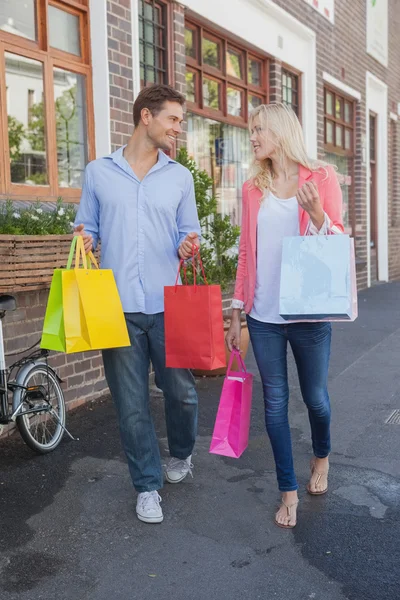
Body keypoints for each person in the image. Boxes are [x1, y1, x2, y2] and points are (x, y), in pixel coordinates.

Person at [74, 84, 201, 524]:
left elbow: (190, 231)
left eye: (180, 122)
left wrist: (187, 245)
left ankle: (181, 454)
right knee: (130, 404)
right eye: (173, 119)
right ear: (146, 117)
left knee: (182, 393)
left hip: (168, 305)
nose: (177, 129)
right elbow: (85, 226)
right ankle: (147, 485)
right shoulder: (98, 172)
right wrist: (85, 238)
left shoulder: (179, 178)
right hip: (118, 306)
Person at [226, 103, 343, 529]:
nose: (253, 137)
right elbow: (245, 253)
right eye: (251, 130)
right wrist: (237, 310)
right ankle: (288, 492)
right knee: (274, 403)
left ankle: (321, 457)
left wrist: (317, 215)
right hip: (264, 316)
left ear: (280, 130)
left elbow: (338, 240)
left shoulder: (322, 177)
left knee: (316, 398)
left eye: (259, 129)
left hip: (309, 313)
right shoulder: (253, 188)